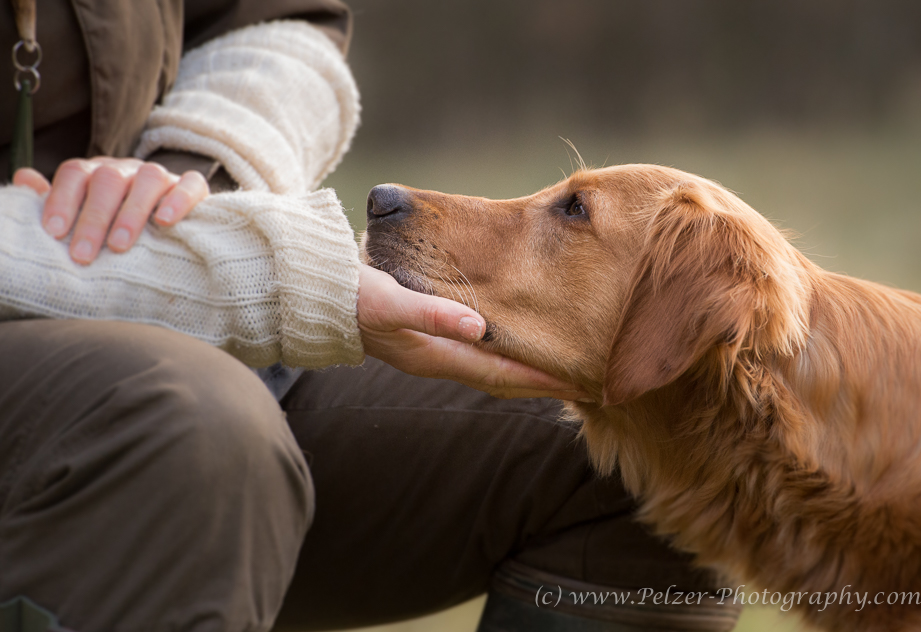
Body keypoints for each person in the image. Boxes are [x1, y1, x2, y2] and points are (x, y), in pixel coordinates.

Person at [0, 2, 741, 631]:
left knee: (656, 451)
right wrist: (238, 269)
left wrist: (195, 173)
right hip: (142, 327)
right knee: (200, 430)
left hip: (190, 277)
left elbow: (283, 19)